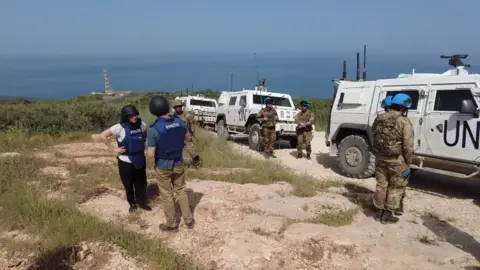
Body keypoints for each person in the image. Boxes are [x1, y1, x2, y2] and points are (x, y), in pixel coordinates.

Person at [146, 96, 195, 232]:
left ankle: (172, 225)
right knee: (181, 190)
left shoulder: (154, 129)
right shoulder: (179, 122)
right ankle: (189, 221)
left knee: (167, 194)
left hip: (163, 165)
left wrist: (152, 165)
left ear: (153, 110)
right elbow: (188, 138)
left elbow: (150, 153)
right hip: (178, 162)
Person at [93, 105, 151, 213]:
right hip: (125, 161)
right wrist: (113, 149)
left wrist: (146, 143)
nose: (134, 117)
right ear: (126, 117)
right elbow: (103, 135)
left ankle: (141, 202)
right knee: (128, 184)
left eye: (135, 114)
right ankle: (132, 203)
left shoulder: (141, 124)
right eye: (131, 115)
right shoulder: (119, 127)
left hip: (139, 158)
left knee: (141, 182)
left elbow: (145, 132)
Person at [371, 93, 414, 224]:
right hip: (396, 160)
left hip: (380, 158)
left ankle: (378, 211)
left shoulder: (379, 119)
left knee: (381, 185)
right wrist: (408, 161)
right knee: (396, 186)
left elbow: (374, 135)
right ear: (403, 108)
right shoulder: (404, 121)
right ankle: (388, 214)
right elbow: (407, 144)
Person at [171, 100, 201, 167]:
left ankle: (197, 164)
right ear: (174, 108)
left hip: (186, 136)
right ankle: (176, 165)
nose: (178, 108)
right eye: (177, 106)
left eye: (180, 106)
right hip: (176, 137)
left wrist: (192, 133)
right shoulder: (172, 116)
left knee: (192, 151)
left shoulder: (187, 115)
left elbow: (192, 124)